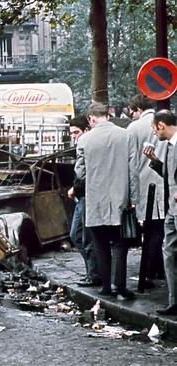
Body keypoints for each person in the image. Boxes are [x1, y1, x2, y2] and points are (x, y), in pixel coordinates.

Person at [74, 102, 139, 300]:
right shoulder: (126, 135)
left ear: (91, 119)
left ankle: (105, 288)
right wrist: (134, 198)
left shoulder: (85, 140)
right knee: (120, 244)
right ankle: (119, 286)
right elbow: (133, 170)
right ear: (108, 115)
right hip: (121, 199)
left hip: (95, 200)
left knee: (100, 245)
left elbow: (80, 171)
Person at [127, 94, 165, 280]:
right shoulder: (164, 121)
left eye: (132, 113)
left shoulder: (134, 127)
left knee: (150, 230)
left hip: (144, 183)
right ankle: (159, 268)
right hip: (164, 180)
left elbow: (131, 161)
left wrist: (132, 194)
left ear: (137, 110)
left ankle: (150, 270)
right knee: (161, 228)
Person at [143, 110, 177, 315]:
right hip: (172, 211)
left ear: (161, 125)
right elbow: (169, 175)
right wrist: (154, 160)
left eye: (154, 128)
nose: (154, 133)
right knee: (170, 253)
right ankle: (174, 301)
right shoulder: (170, 146)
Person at [67, 116, 101, 287]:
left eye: (76, 132)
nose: (74, 136)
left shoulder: (89, 145)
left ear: (86, 130)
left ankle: (94, 273)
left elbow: (86, 173)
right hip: (82, 196)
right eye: (72, 133)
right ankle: (93, 271)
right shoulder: (83, 145)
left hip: (87, 196)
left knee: (85, 236)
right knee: (77, 235)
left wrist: (75, 188)